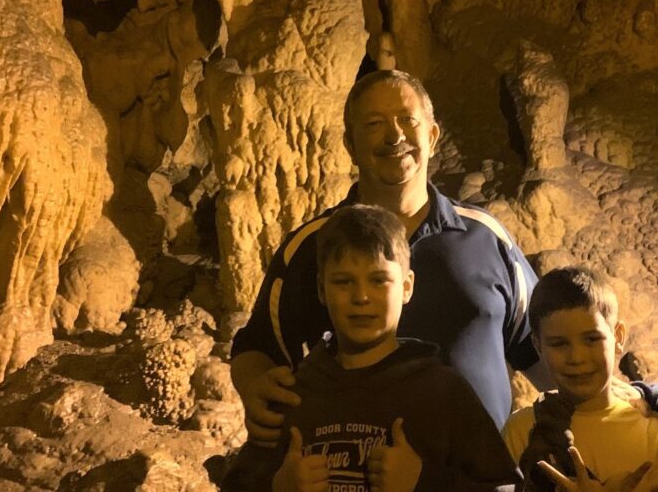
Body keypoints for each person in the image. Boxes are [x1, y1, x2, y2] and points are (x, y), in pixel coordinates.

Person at [230, 69, 543, 450]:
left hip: (477, 478)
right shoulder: (312, 247)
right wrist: (255, 387)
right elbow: (258, 348)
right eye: (374, 124)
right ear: (349, 144)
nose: (394, 137)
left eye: (407, 121)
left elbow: (543, 343)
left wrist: (618, 404)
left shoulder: (484, 239)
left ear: (431, 136)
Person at [269, 204, 520, 492]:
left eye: (379, 281)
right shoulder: (296, 395)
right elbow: (239, 480)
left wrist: (422, 482)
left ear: (407, 287)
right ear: (321, 290)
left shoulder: (443, 393)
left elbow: (503, 486)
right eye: (343, 281)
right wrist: (279, 487)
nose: (361, 296)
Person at [503, 267, 658, 492]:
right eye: (559, 344)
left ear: (618, 337)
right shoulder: (521, 432)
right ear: (538, 346)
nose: (576, 357)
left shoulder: (655, 437)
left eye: (592, 339)